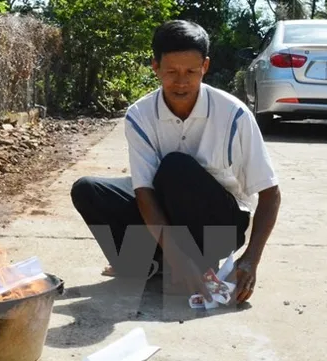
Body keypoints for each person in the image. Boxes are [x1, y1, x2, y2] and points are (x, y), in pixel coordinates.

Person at [70, 20, 281, 305]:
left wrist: (250, 261)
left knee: (175, 168)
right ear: (155, 67)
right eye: (171, 72)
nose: (181, 82)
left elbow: (270, 193)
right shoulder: (140, 115)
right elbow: (144, 191)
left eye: (191, 72)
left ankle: (194, 261)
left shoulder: (234, 115)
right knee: (88, 189)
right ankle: (148, 263)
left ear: (205, 67)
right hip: (168, 213)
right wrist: (177, 257)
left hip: (219, 225)